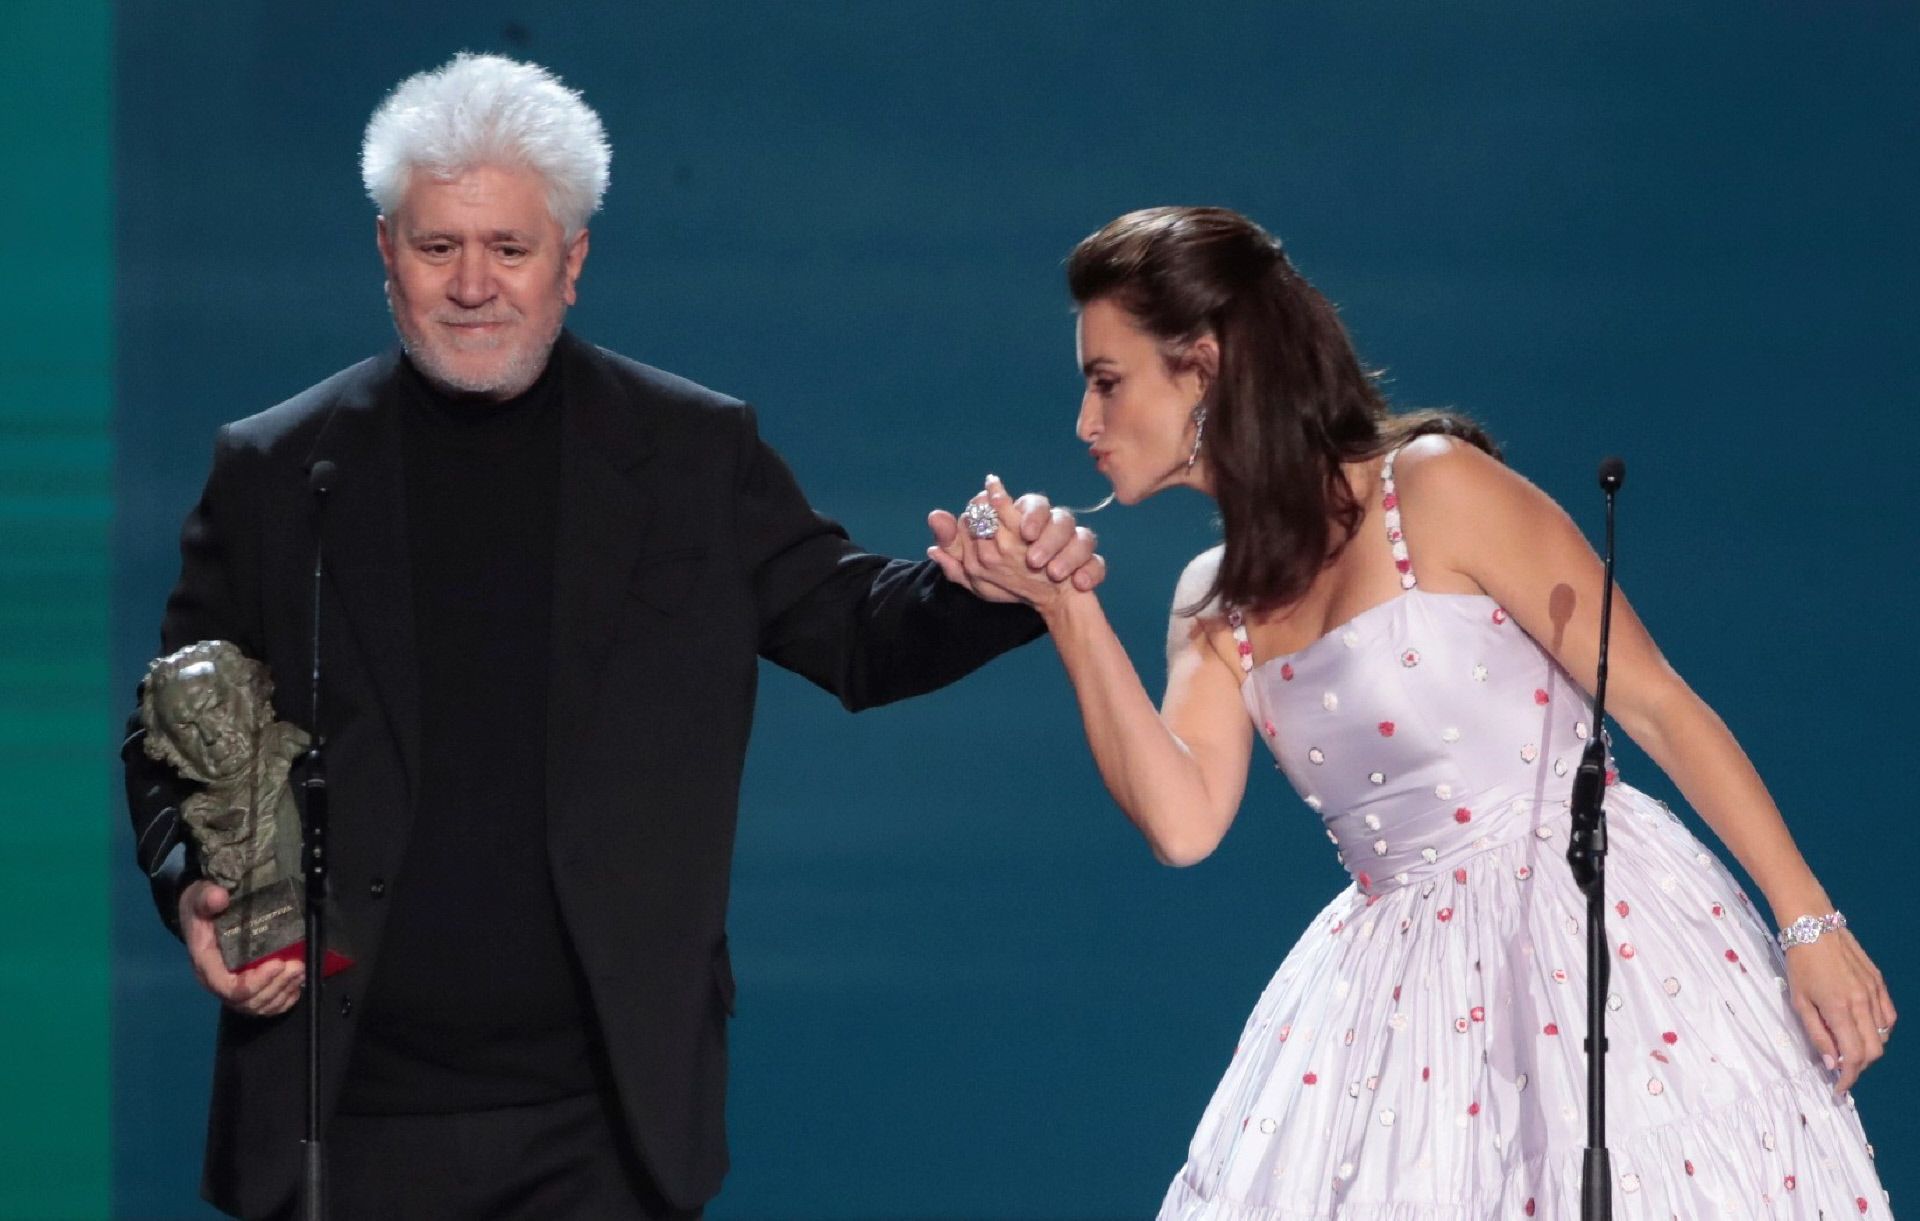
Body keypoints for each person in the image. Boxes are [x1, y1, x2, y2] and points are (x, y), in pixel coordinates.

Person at [121, 53, 1103, 1220]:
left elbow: (857, 632)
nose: (473, 283)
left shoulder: (692, 453)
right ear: (388, 255)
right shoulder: (278, 471)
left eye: (511, 249)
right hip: (343, 1104)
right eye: (439, 248)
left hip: (603, 1117)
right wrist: (194, 887)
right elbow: (170, 731)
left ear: (572, 263)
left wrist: (989, 591)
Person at [937, 206, 1895, 1217]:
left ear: (1206, 367)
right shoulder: (1213, 602)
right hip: (1401, 1010)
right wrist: (1066, 608)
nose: (1086, 424)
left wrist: (1810, 924)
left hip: (1599, 940)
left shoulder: (1433, 490)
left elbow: (1659, 706)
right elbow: (1180, 827)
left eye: (1107, 380)